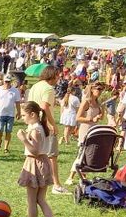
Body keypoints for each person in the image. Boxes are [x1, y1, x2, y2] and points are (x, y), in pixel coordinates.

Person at [17, 101, 59, 217]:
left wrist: (23, 139)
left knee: (32, 200)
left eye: (24, 115)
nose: (22, 117)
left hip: (35, 162)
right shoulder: (39, 126)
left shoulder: (35, 129)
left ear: (33, 114)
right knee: (41, 199)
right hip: (43, 162)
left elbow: (34, 151)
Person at [27, 66, 66, 194]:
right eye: (58, 76)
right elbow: (44, 106)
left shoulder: (35, 86)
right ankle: (56, 184)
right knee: (51, 156)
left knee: (35, 155)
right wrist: (53, 124)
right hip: (44, 126)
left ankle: (35, 180)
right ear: (52, 75)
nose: (58, 79)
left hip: (32, 125)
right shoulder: (49, 88)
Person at [64, 83, 105, 185]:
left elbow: (101, 118)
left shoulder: (98, 103)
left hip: (94, 131)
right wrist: (91, 119)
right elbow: (78, 118)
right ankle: (70, 177)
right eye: (98, 89)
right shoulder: (86, 102)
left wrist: (101, 113)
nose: (100, 91)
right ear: (92, 89)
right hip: (85, 130)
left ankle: (83, 176)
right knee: (82, 154)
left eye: (101, 89)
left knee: (89, 154)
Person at [0, 74, 22, 152]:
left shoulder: (15, 91)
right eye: (6, 82)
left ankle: (6, 148)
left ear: (11, 82)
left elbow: (18, 102)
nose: (7, 83)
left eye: (8, 82)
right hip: (1, 114)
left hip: (10, 115)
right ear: (3, 81)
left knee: (8, 131)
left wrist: (19, 112)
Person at [59, 80, 82, 145]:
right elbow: (78, 108)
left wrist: (61, 114)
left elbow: (62, 107)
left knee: (68, 128)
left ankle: (64, 137)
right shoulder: (75, 98)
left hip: (65, 114)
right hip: (72, 115)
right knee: (70, 128)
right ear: (73, 91)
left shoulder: (65, 97)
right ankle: (67, 141)